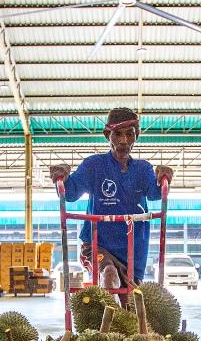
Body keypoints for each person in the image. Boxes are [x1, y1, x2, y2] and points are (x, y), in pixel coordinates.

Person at [50, 107, 173, 302]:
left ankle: (120, 327)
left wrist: (164, 177)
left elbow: (155, 193)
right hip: (98, 245)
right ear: (108, 135)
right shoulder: (94, 166)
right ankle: (106, 329)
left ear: (136, 136)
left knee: (131, 306)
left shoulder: (143, 169)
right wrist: (61, 178)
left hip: (133, 251)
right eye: (117, 134)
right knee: (108, 275)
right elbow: (71, 194)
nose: (124, 141)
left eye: (129, 134)